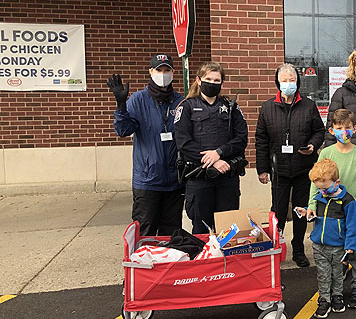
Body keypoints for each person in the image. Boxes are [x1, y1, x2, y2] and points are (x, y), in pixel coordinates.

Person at [255, 63, 325, 267]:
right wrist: (263, 169)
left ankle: (299, 250)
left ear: (298, 81)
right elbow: (261, 139)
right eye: (284, 80)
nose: (288, 84)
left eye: (291, 80)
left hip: (304, 167)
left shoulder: (309, 106)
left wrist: (313, 145)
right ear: (278, 83)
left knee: (301, 209)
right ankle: (276, 248)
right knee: (278, 211)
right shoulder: (268, 107)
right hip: (279, 170)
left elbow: (319, 131)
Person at [107, 53, 184, 236]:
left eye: (167, 70)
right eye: (159, 70)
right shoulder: (138, 100)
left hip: (174, 181)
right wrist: (120, 106)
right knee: (145, 232)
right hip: (148, 181)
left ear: (173, 73)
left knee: (171, 234)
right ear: (151, 72)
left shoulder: (180, 101)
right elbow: (123, 131)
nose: (163, 74)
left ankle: (168, 265)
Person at [174, 62, 248, 234]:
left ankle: (226, 262)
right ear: (199, 80)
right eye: (208, 79)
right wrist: (213, 161)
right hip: (199, 177)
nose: (212, 83)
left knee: (229, 230)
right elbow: (183, 142)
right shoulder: (186, 107)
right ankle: (204, 261)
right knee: (201, 230)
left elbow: (241, 138)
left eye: (217, 80)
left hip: (227, 176)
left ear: (222, 83)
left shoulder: (231, 107)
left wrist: (219, 153)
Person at [307, 109, 356, 309]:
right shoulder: (326, 152)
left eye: (348, 128)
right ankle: (336, 291)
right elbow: (315, 181)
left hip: (351, 212)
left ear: (354, 129)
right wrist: (311, 204)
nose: (344, 131)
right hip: (329, 212)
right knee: (335, 253)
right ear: (332, 130)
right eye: (339, 128)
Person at [297, 159, 356, 318]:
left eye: (325, 188)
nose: (322, 192)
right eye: (319, 189)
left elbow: (352, 225)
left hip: (338, 246)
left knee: (337, 273)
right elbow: (316, 215)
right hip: (319, 245)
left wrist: (350, 246)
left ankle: (337, 296)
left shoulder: (348, 201)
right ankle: (324, 299)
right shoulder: (319, 197)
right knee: (323, 274)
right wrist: (305, 211)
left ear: (337, 182)